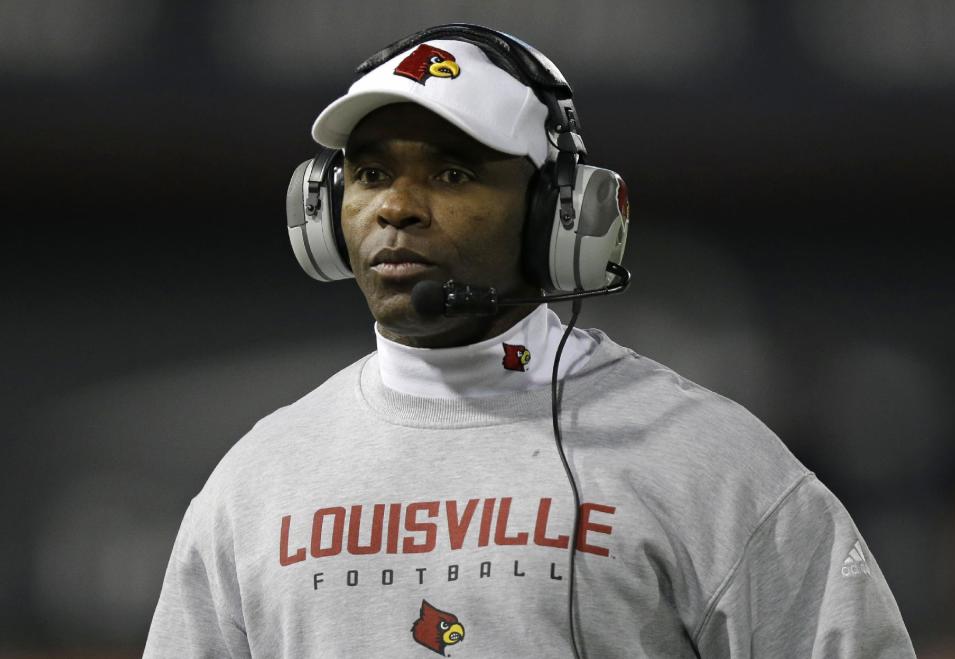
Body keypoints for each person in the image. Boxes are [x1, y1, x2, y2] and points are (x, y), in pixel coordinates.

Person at [144, 24, 915, 658]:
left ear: (560, 213)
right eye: (371, 171)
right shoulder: (256, 481)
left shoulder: (708, 462)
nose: (397, 208)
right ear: (324, 207)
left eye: (451, 174)